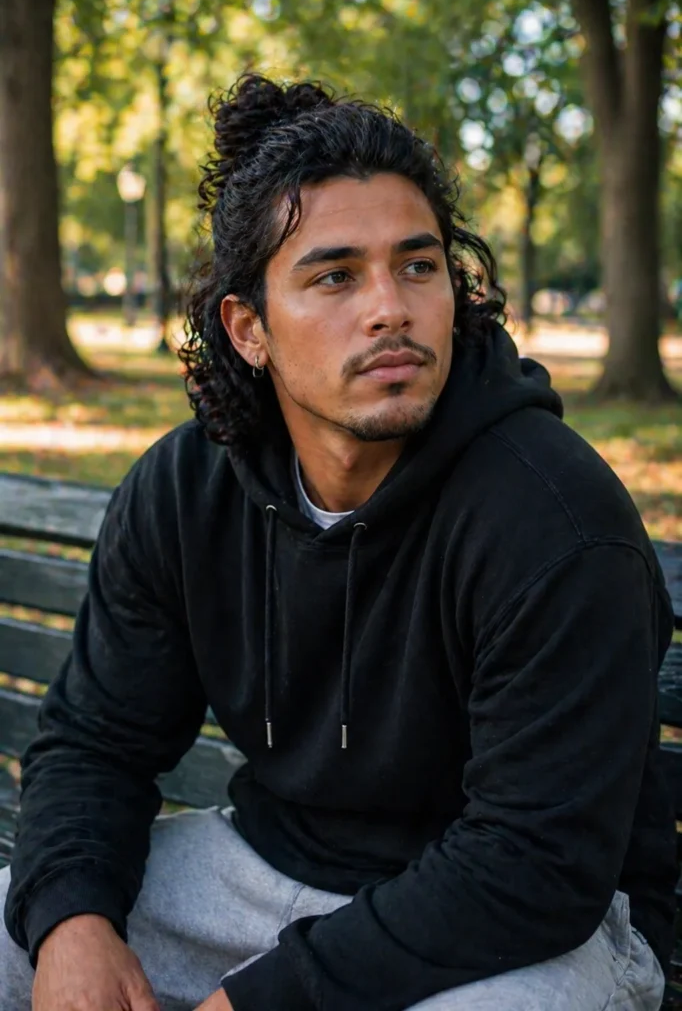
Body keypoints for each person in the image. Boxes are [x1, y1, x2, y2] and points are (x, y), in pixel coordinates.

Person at [0, 74, 677, 1011]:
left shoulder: (555, 520)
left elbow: (534, 864)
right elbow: (95, 741)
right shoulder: (186, 490)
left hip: (526, 932)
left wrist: (262, 1000)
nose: (389, 307)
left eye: (418, 266)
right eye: (335, 276)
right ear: (249, 329)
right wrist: (73, 921)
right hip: (262, 874)